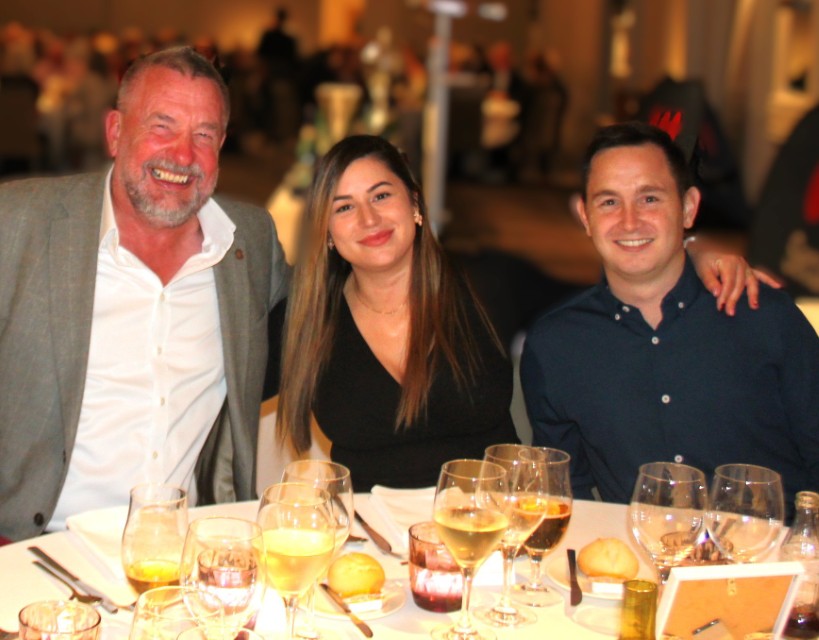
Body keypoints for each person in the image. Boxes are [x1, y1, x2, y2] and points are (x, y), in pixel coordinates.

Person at [0, 46, 289, 541]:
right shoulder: (17, 223)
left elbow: (322, 327)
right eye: (162, 126)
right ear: (115, 132)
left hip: (181, 552)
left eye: (204, 135)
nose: (183, 155)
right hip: (30, 549)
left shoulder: (250, 243)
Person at [520, 122, 819, 509]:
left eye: (649, 199)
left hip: (773, 545)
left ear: (688, 208)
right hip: (638, 548)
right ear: (585, 216)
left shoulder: (764, 316)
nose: (630, 221)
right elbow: (563, 494)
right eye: (609, 202)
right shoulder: (556, 345)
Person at [269, 134, 519, 491]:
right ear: (326, 231)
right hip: (366, 525)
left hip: (489, 519)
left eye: (381, 196)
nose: (369, 219)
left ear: (414, 202)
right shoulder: (305, 319)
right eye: (344, 207)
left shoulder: (488, 285)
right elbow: (216, 379)